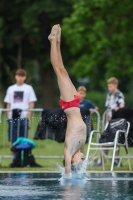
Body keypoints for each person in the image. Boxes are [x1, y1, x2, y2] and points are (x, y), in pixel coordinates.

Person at [48, 24, 86, 178]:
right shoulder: (80, 147)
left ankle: (52, 41)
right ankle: (57, 41)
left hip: (69, 104)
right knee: (63, 70)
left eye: (79, 162)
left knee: (59, 71)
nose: (82, 161)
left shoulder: (69, 149)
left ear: (70, 160)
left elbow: (67, 172)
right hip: (75, 103)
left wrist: (68, 175)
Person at [96, 77, 125, 166]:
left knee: (116, 139)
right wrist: (107, 121)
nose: (109, 88)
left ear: (116, 85)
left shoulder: (119, 94)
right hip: (109, 120)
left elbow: (122, 105)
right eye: (108, 86)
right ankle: (102, 158)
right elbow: (107, 108)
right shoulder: (109, 95)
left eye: (111, 86)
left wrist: (118, 108)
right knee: (106, 139)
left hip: (116, 121)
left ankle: (115, 159)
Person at [4, 69, 37, 144]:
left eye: (22, 76)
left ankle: (24, 155)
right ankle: (14, 155)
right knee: (13, 139)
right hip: (12, 117)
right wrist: (8, 116)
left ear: (25, 77)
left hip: (24, 117)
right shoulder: (10, 89)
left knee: (24, 138)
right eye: (19, 76)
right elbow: (8, 103)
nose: (20, 78)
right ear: (16, 76)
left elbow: (31, 102)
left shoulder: (29, 88)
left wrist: (29, 115)